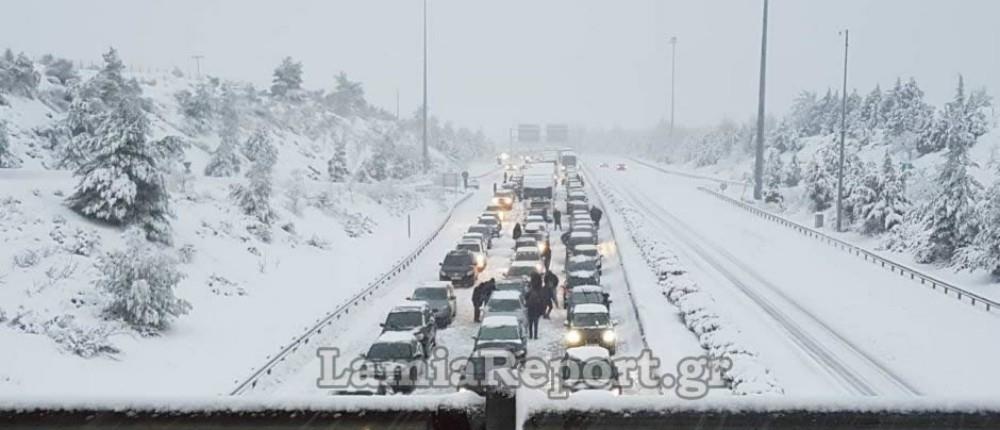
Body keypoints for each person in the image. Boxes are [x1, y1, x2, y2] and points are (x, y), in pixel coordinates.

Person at [525, 274, 546, 340]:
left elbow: (526, 297)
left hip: (531, 310)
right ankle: (535, 335)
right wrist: (542, 311)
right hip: (537, 311)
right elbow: (543, 301)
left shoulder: (531, 291)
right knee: (535, 324)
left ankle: (531, 335)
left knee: (530, 324)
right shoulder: (540, 291)